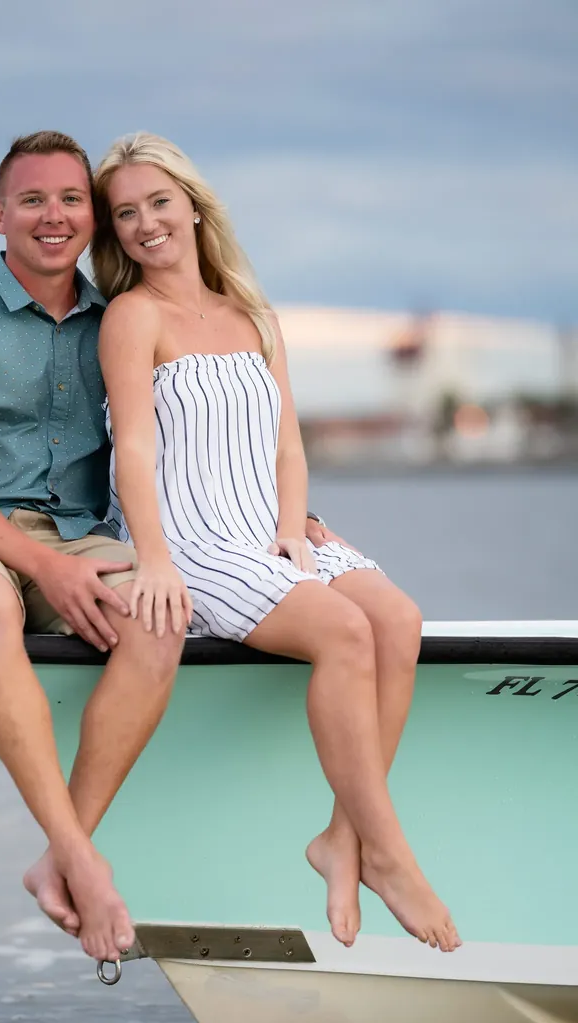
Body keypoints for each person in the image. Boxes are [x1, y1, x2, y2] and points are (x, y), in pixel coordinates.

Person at [92, 132, 461, 953]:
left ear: (192, 205)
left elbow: (287, 442)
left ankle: (341, 839)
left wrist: (294, 529)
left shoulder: (252, 311)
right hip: (192, 541)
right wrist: (152, 556)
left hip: (271, 529)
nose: (146, 223)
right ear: (116, 234)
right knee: (342, 632)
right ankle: (390, 855)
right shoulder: (131, 316)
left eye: (158, 202)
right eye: (126, 213)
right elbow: (136, 450)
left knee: (397, 619)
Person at [0, 131, 185, 964]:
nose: (54, 216)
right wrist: (40, 565)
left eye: (71, 199)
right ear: (0, 214)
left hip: (79, 538)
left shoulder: (117, 320)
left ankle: (58, 855)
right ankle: (84, 860)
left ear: (92, 216)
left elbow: (184, 439)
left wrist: (290, 520)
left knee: (159, 615)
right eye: (34, 200)